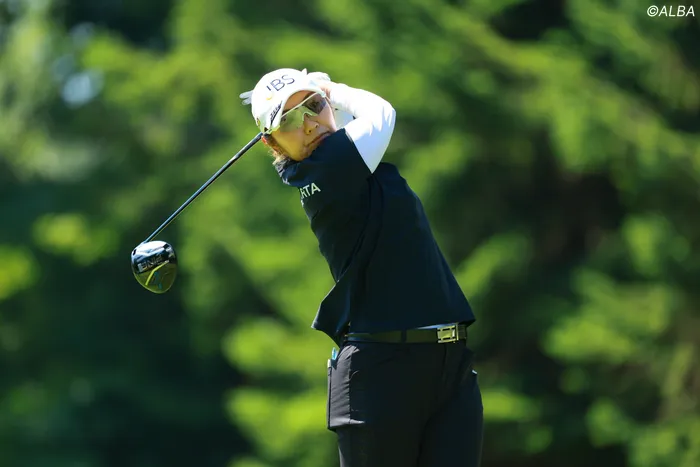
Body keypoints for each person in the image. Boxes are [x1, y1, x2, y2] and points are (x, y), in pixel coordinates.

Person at [240, 68, 483, 467]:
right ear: (272, 142)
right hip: (381, 374)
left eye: (313, 106)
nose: (309, 124)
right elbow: (381, 114)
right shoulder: (327, 168)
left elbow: (346, 127)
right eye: (289, 120)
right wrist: (332, 90)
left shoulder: (343, 162)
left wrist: (327, 100)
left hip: (448, 365)